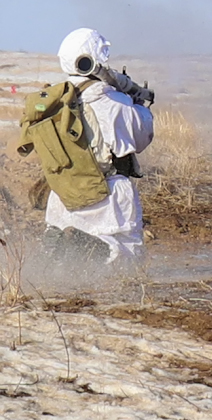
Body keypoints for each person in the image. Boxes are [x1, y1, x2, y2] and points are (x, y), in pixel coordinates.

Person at [41, 28, 155, 264]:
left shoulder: (53, 101)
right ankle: (93, 246)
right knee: (124, 257)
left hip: (64, 194)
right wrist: (140, 108)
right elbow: (141, 138)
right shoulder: (112, 101)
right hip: (107, 192)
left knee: (67, 271)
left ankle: (66, 240)